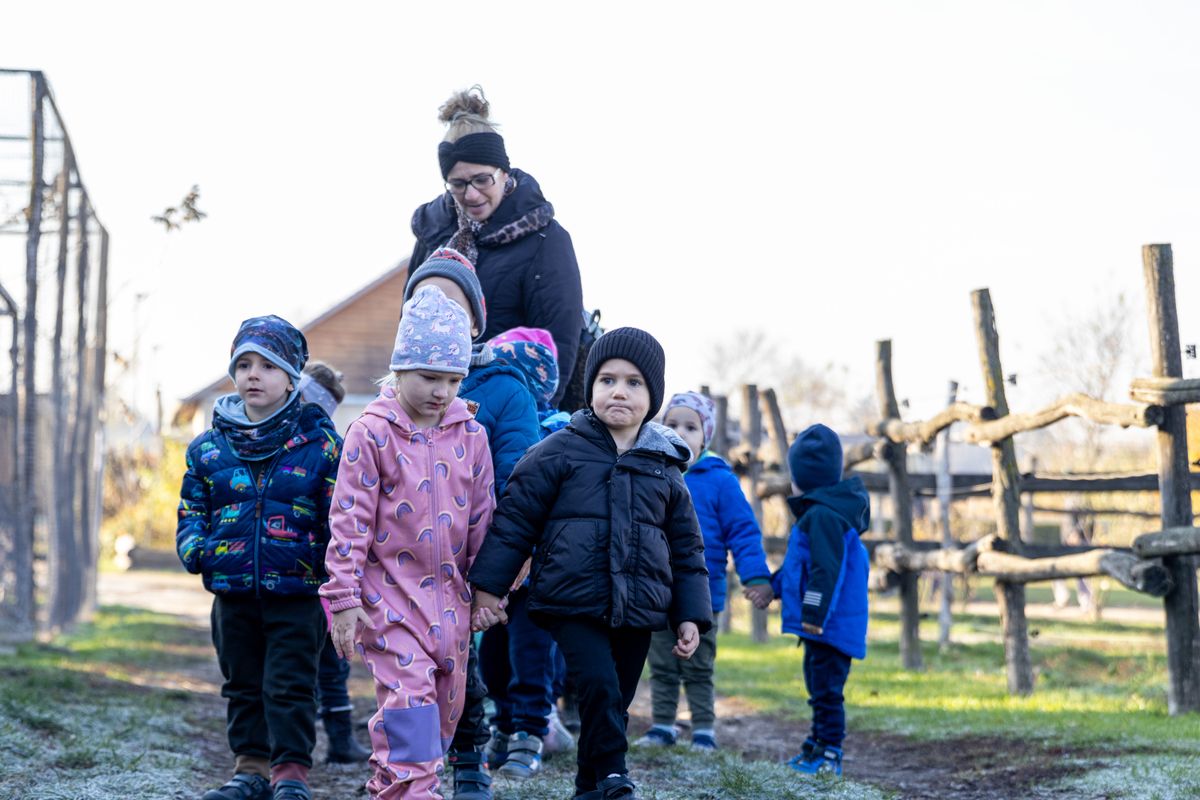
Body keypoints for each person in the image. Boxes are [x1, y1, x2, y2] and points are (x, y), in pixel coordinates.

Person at [468, 328, 712, 800]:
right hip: (571, 599)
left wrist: (689, 614)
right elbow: (515, 521)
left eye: (634, 382)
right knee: (597, 686)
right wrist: (489, 588)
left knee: (614, 700)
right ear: (591, 388)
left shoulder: (665, 466)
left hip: (639, 605)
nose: (619, 390)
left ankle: (588, 787)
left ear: (653, 396)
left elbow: (687, 548)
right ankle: (616, 776)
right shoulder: (558, 451)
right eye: (607, 379)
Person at [320, 285, 496, 800]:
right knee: (409, 702)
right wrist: (344, 598)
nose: (441, 391)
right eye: (428, 377)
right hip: (389, 599)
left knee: (442, 712)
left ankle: (391, 784)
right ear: (399, 371)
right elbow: (348, 521)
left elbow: (485, 518)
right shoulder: (371, 433)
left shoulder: (472, 435)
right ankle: (414, 792)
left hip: (453, 605)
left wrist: (490, 590)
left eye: (452, 379)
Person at [176, 316, 342, 800]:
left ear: (292, 376)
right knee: (242, 682)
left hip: (297, 590)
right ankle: (250, 769)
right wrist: (197, 549)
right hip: (232, 590)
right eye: (244, 364)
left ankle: (290, 773)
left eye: (268, 365)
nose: (254, 374)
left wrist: (334, 567)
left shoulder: (321, 443)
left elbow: (339, 514)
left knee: (290, 684)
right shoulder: (209, 447)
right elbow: (193, 506)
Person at [402, 249, 548, 797]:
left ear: (476, 321)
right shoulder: (392, 401)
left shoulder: (504, 391)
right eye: (425, 299)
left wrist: (499, 570)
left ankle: (468, 757)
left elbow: (518, 481)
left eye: (453, 303)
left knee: (462, 671)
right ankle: (412, 772)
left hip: (468, 566)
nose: (438, 311)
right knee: (405, 677)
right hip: (403, 569)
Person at [409, 86, 584, 408]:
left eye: (482, 179)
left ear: (504, 172)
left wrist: (536, 422)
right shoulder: (433, 236)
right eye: (458, 184)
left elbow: (558, 345)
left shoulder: (546, 239)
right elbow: (410, 328)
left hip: (509, 410)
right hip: (433, 407)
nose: (471, 194)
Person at [636, 392, 773, 751]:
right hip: (656, 590)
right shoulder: (652, 471)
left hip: (703, 593)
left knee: (697, 663)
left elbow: (743, 530)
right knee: (662, 663)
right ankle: (663, 725)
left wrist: (755, 576)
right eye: (671, 424)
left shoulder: (720, 480)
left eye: (690, 427)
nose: (680, 432)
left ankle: (703, 729)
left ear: (705, 436)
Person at [771, 424, 870, 778]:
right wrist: (774, 586)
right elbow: (798, 567)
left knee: (827, 693)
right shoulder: (819, 514)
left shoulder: (824, 517)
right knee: (819, 690)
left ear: (800, 478)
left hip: (828, 625)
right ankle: (815, 746)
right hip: (823, 627)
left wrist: (813, 613)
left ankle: (830, 754)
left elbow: (826, 571)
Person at [295, 362, 372, 765]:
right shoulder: (325, 441)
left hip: (323, 574)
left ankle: (338, 740)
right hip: (313, 573)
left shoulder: (328, 445)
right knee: (323, 663)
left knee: (329, 661)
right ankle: (321, 741)